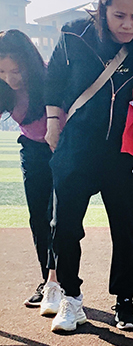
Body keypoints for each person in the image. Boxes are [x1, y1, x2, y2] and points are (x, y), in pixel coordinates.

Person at [44, 0, 133, 333]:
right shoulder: (74, 35)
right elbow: (52, 81)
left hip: (123, 151)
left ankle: (125, 302)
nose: (128, 24)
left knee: (126, 230)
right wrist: (53, 122)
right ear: (102, 11)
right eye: (119, 16)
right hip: (76, 148)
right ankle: (72, 299)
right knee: (65, 227)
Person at [0, 30, 64, 314]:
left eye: (16, 70)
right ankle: (46, 282)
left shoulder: (50, 78)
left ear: (29, 63)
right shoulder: (3, 88)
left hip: (61, 149)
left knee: (56, 219)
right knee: (38, 217)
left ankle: (59, 281)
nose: (10, 78)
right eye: (2, 71)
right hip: (31, 151)